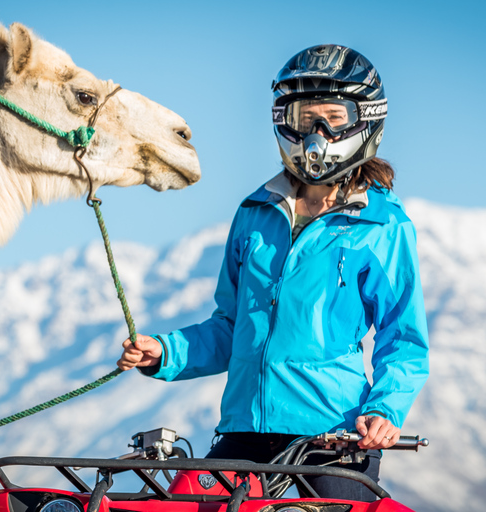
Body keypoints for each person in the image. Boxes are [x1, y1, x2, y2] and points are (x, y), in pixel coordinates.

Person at [118, 44, 429, 501]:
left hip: (331, 439)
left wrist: (385, 409)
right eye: (305, 119)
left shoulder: (384, 226)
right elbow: (230, 329)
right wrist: (164, 353)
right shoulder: (254, 213)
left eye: (334, 118)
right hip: (243, 432)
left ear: (365, 120)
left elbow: (403, 340)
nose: (318, 133)